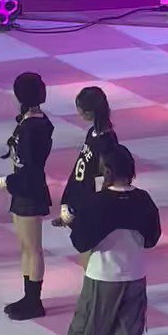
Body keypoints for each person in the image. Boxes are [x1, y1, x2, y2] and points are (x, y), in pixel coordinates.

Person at [58, 145, 161, 335]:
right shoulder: (144, 200)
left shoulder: (97, 202)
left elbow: (81, 242)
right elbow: (151, 238)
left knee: (86, 333)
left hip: (102, 277)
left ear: (107, 171)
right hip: (135, 275)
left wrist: (72, 223)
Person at [0, 72, 54, 321]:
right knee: (25, 247)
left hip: (29, 190)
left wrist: (7, 182)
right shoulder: (32, 122)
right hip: (23, 188)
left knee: (33, 248)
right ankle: (28, 295)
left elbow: (30, 168)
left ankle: (34, 300)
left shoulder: (33, 128)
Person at [53, 86, 118, 240]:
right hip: (79, 194)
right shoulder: (92, 133)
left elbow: (103, 176)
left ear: (89, 112)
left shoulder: (106, 141)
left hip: (89, 200)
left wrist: (90, 204)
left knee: (88, 245)